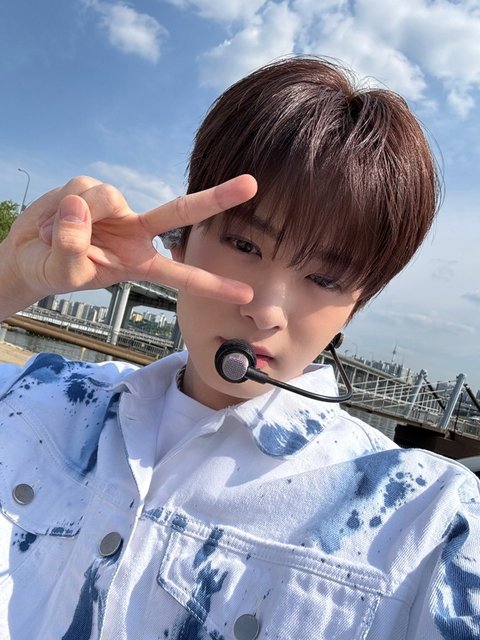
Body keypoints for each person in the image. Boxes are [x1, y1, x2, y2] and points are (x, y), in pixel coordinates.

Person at [0, 57, 478, 640]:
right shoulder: (42, 398)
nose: (267, 310)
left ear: (355, 306)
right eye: (245, 245)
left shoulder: (428, 522)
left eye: (325, 279)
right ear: (182, 239)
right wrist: (11, 279)